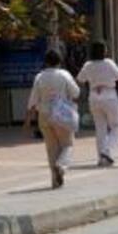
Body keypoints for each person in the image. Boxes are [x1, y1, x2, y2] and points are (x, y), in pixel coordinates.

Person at [25, 49, 80, 187]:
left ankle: (55, 181)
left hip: (43, 115)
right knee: (67, 144)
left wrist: (28, 119)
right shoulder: (64, 74)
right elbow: (76, 93)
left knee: (51, 148)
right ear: (59, 62)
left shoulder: (40, 77)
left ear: (46, 62)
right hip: (61, 114)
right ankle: (61, 166)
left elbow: (33, 99)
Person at [76, 41, 118, 166]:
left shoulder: (88, 64)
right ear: (104, 51)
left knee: (100, 128)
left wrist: (94, 80)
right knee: (117, 125)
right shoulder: (108, 63)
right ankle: (107, 150)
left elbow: (80, 79)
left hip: (94, 96)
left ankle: (101, 158)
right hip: (109, 95)